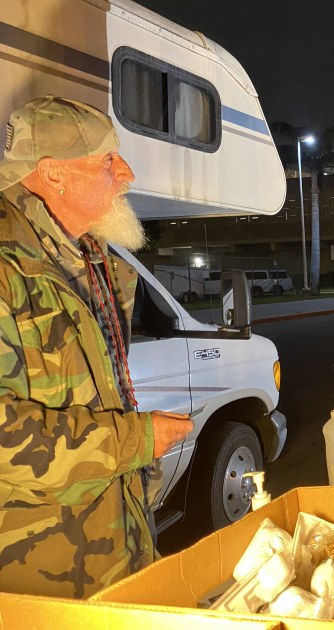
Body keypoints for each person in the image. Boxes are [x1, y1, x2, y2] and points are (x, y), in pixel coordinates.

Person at [0, 97, 193, 598]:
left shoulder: (90, 256)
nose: (125, 174)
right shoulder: (7, 270)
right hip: (40, 574)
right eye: (108, 160)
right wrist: (136, 441)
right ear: (54, 175)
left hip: (116, 544)